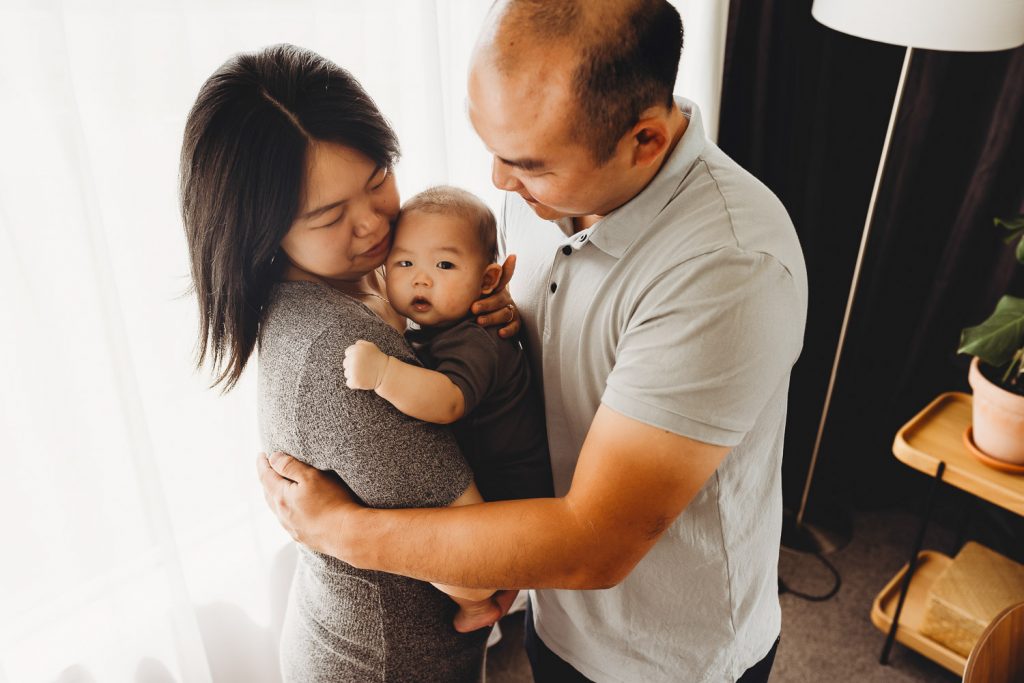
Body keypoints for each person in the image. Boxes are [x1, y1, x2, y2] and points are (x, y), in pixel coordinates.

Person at [257, 1, 809, 681]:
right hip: (556, 614)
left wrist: (339, 532)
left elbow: (594, 545)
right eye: (488, 144)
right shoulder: (548, 173)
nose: (498, 182)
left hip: (666, 655)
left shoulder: (729, 269)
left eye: (526, 164)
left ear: (644, 142)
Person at [180, 44, 522, 682]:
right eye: (330, 216)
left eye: (377, 181)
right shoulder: (339, 347)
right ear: (262, 232)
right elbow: (482, 576)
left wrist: (481, 311)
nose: (373, 225)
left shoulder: (346, 281)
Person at [342, 185, 555, 632]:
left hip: (512, 495)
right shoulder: (438, 325)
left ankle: (480, 602)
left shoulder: (475, 340)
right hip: (490, 481)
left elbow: (447, 401)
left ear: (487, 281)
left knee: (433, 538)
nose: (421, 278)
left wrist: (384, 374)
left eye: (444, 264)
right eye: (405, 263)